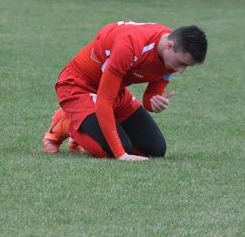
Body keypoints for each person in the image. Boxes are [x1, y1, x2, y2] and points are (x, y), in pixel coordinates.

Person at [42, 21, 207, 161]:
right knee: (113, 150)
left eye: (186, 66)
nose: (181, 70)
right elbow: (103, 101)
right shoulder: (130, 45)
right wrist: (121, 155)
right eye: (181, 63)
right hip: (78, 87)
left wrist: (155, 102)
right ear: (169, 46)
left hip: (114, 91)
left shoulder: (170, 57)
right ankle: (68, 123)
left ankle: (87, 125)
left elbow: (149, 97)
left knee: (155, 150)